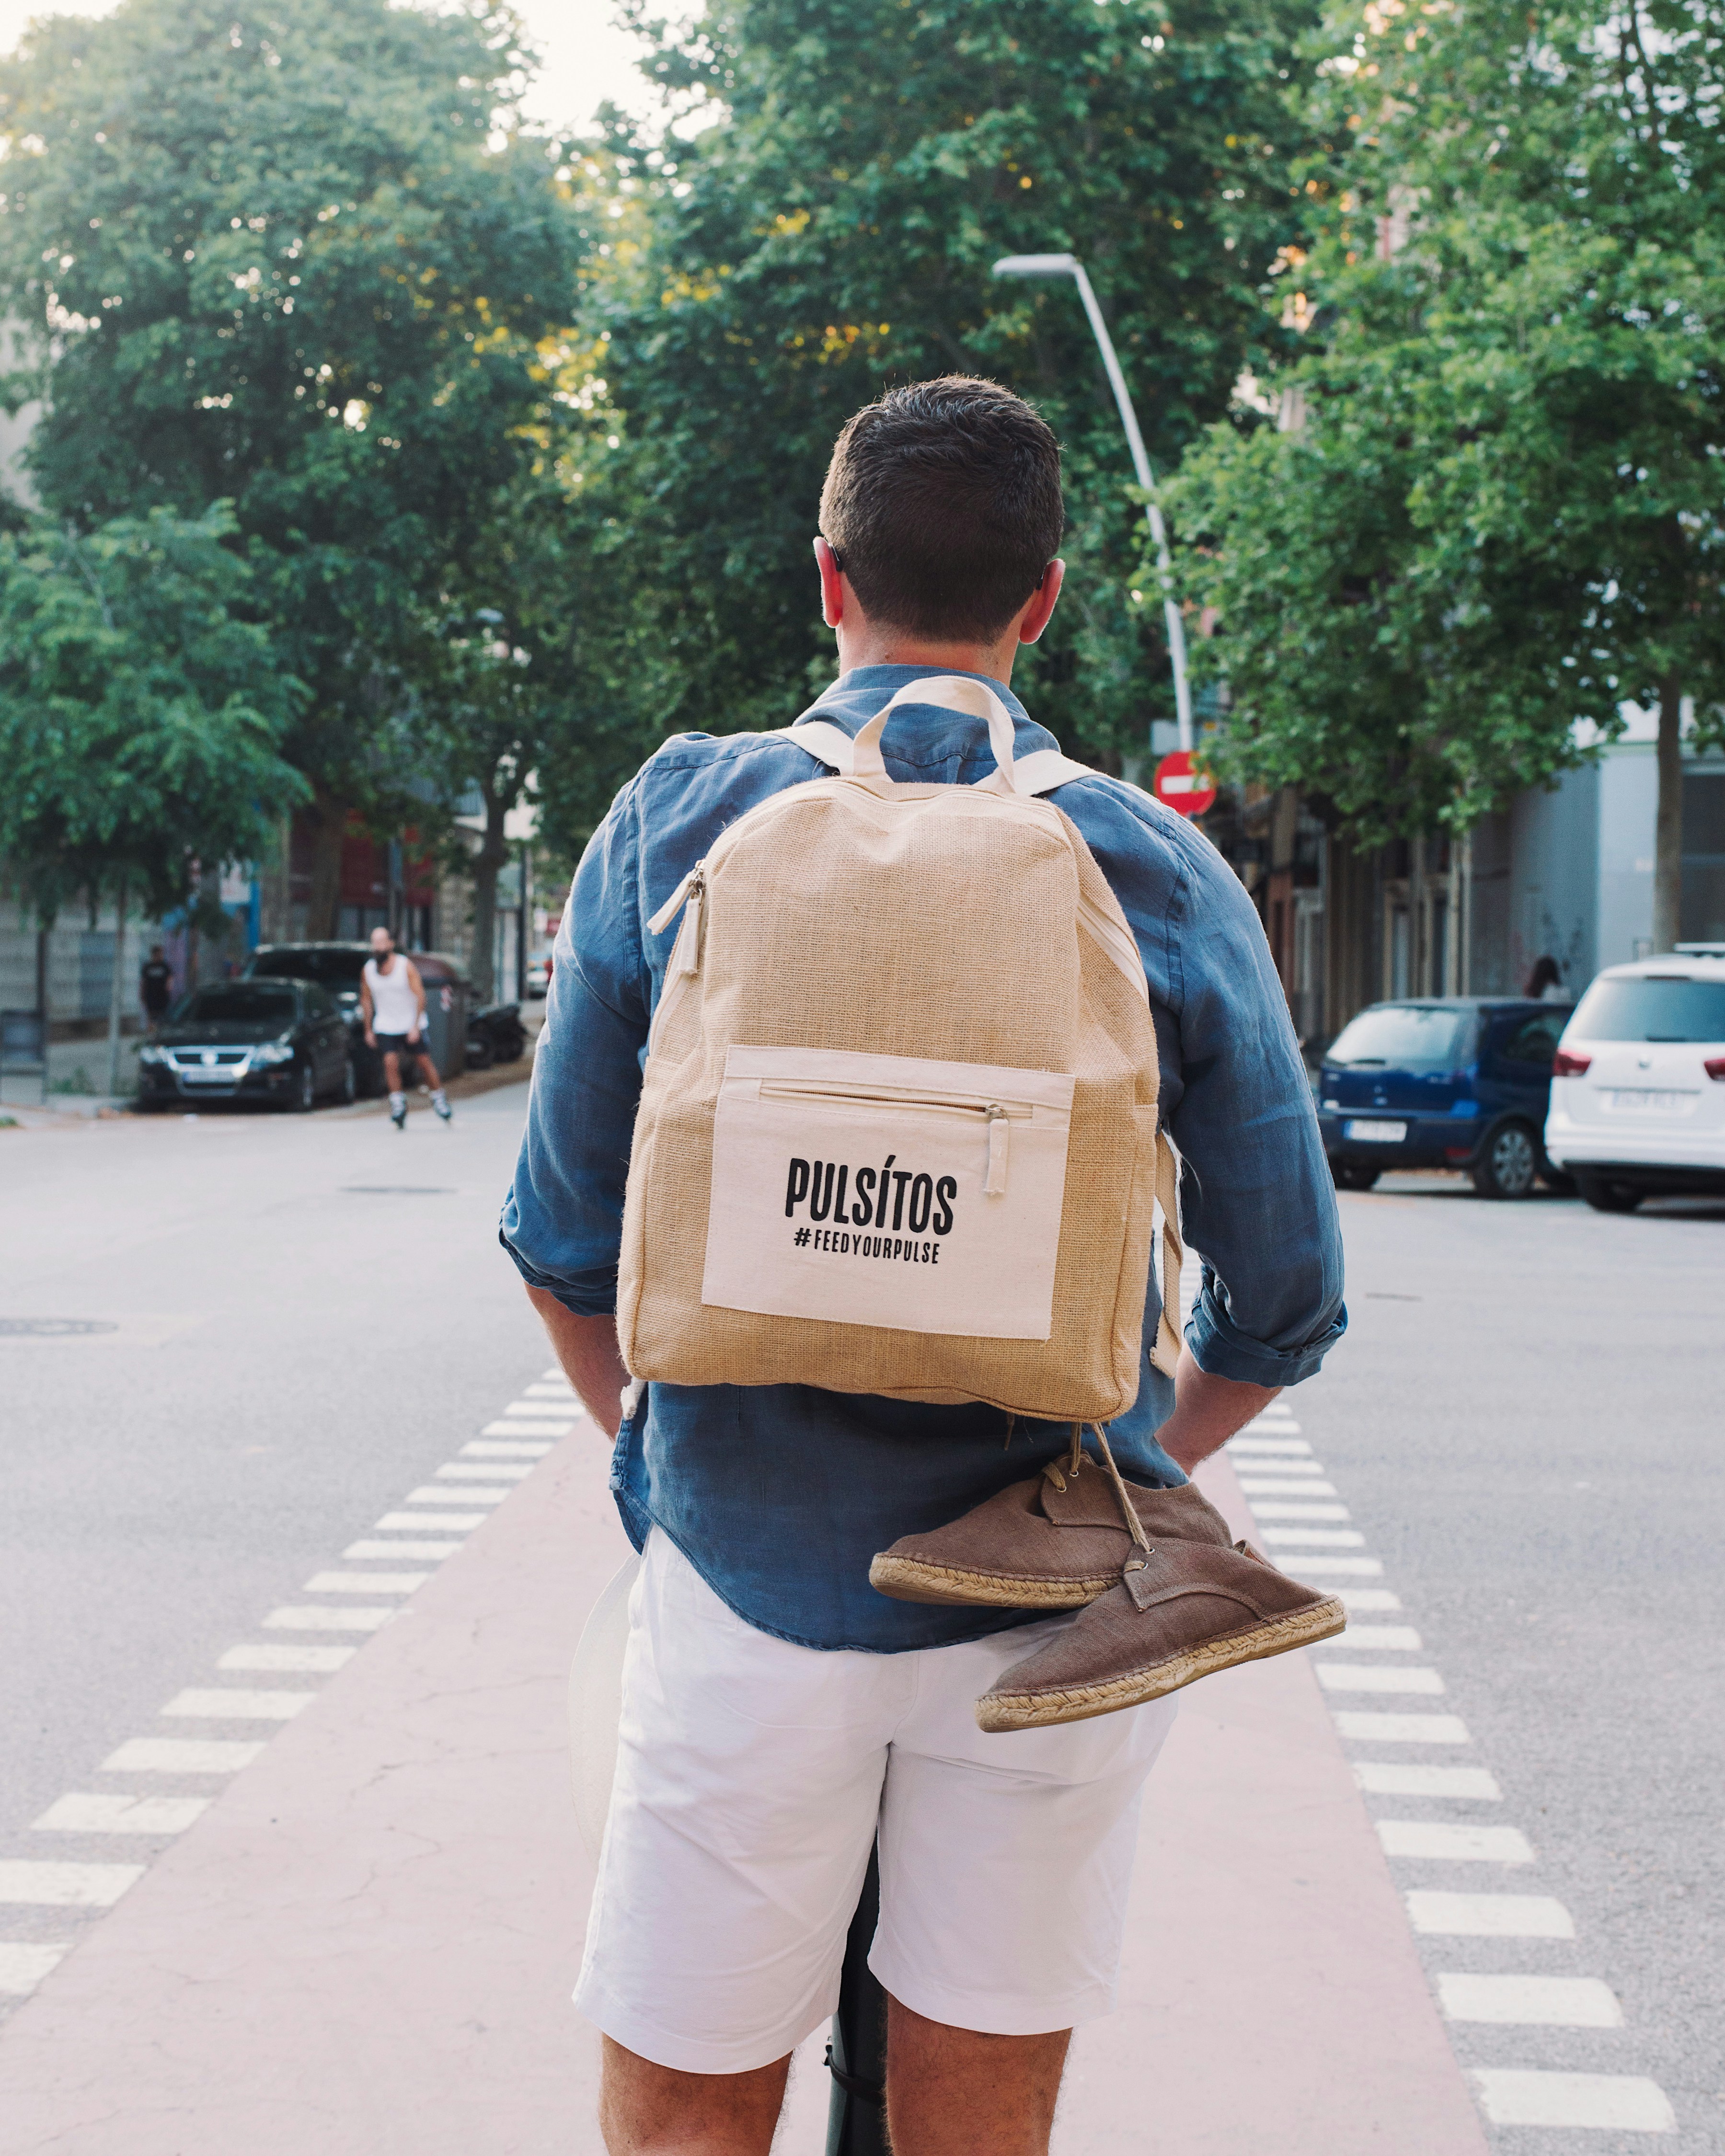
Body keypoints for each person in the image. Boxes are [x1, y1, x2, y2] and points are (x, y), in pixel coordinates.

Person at [502, 377, 1345, 2156]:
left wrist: (646, 1461)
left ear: (828, 581)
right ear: (1041, 601)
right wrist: (1117, 1479)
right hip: (1036, 1628)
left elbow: (563, 1242)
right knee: (979, 2119)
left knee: (684, 2113)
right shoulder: (1151, 865)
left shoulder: (676, 824)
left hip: (741, 1579)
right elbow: (1286, 1297)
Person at [360, 927, 451, 1129]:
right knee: (390, 1062)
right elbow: (366, 1000)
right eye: (375, 942)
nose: (378, 947)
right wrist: (368, 1029)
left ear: (391, 945)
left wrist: (415, 1026)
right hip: (386, 1023)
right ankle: (398, 1105)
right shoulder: (368, 970)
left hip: (410, 1023)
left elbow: (421, 996)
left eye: (382, 942)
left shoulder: (405, 966)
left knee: (424, 1062)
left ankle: (439, 1099)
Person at [139, 945, 174, 1030]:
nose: (160, 956)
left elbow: (170, 980)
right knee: (152, 1018)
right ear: (154, 955)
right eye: (158, 954)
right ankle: (151, 1034)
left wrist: (169, 989)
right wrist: (142, 995)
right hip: (151, 997)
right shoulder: (148, 967)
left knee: (162, 1018)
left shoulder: (165, 967)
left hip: (162, 997)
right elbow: (144, 982)